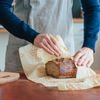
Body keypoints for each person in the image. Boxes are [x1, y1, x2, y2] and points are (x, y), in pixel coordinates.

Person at [0, 0, 100, 71]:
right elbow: (1, 7)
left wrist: (89, 45)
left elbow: (92, 8)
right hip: (24, 49)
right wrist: (32, 36)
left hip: (62, 52)